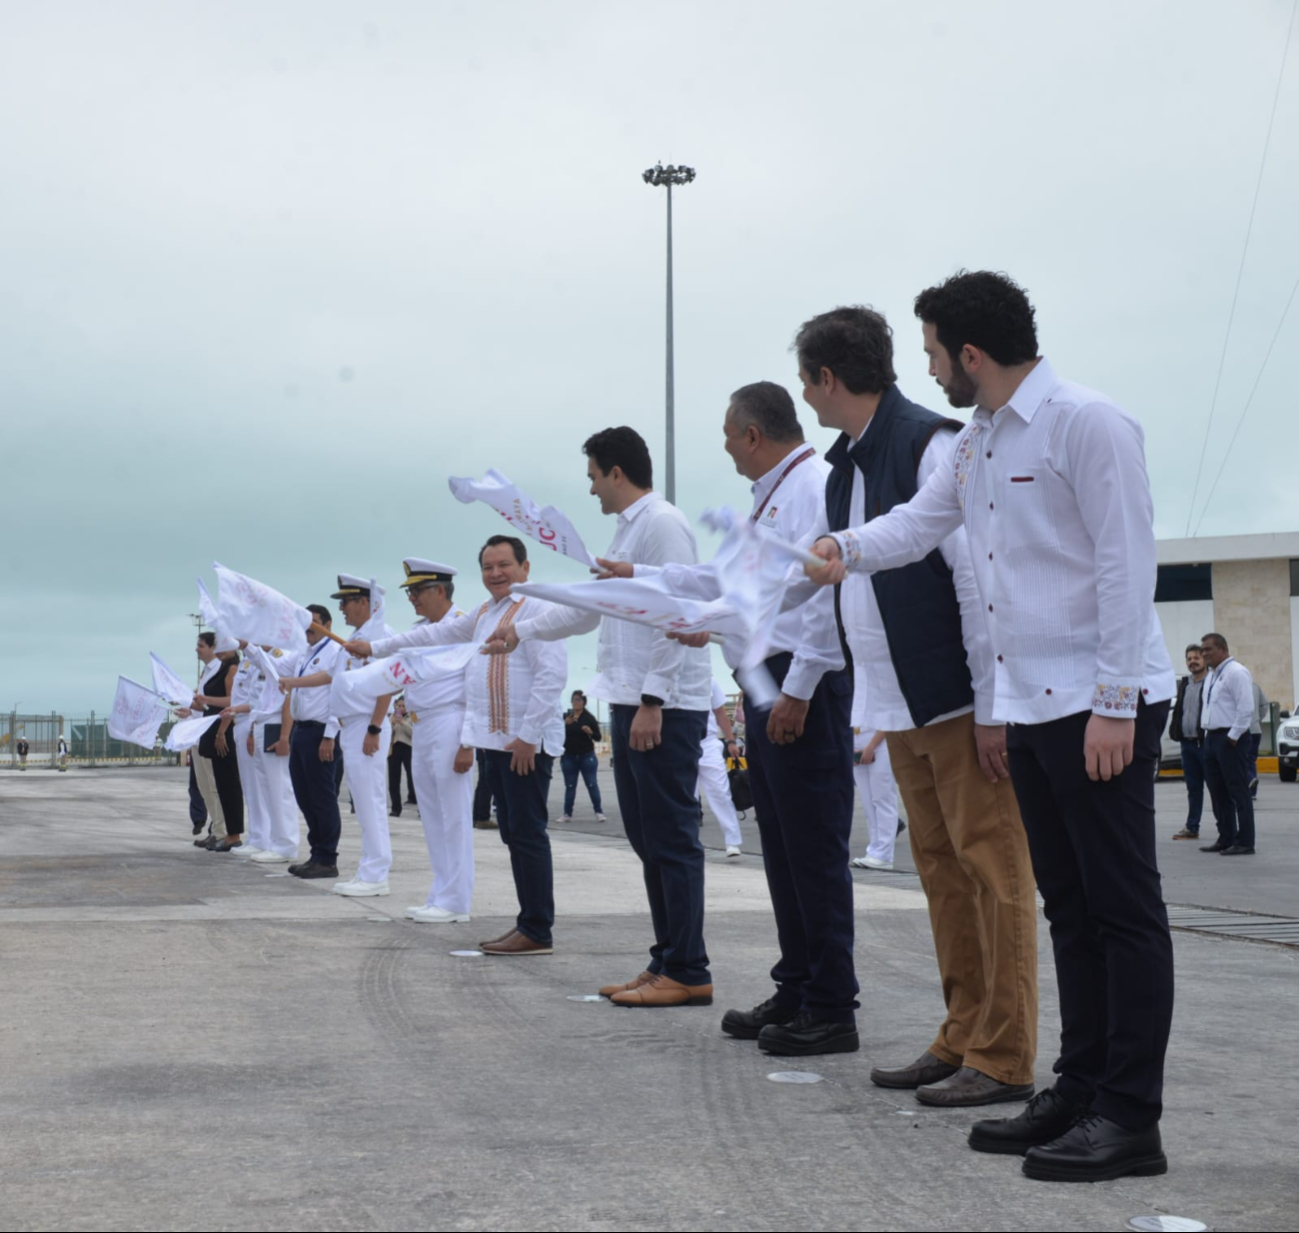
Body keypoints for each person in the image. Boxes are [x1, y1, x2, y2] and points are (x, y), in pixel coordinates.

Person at [806, 270, 1176, 1183]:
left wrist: (1116, 703)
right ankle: (1080, 1087)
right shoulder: (975, 442)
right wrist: (842, 550)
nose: (927, 368)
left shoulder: (1087, 422)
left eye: (932, 351)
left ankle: (1131, 1116)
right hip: (1032, 704)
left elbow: (1129, 568)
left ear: (970, 353)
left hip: (1100, 703)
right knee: (1070, 908)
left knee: (1124, 913)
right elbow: (920, 524)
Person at [795, 305, 1037, 1107]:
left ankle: (1002, 1052)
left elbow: (975, 580)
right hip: (899, 702)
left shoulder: (928, 442)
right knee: (939, 873)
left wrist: (991, 701)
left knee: (992, 872)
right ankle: (961, 1032)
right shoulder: (846, 467)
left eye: (807, 379)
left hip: (957, 699)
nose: (805, 394)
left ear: (829, 378)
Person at [489, 430, 715, 1004]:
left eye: (593, 475)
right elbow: (592, 615)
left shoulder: (661, 523)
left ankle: (689, 971)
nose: (590, 488)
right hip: (629, 698)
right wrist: (523, 628)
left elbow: (678, 610)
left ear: (616, 472)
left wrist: (653, 701)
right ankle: (666, 960)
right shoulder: (626, 530)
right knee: (647, 839)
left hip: (661, 707)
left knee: (671, 840)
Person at [346, 537, 567, 953]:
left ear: (525, 567)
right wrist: (373, 647)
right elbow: (432, 637)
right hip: (496, 741)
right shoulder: (485, 614)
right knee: (513, 834)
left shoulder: (539, 610)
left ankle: (537, 928)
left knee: (528, 833)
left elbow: (551, 677)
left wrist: (528, 737)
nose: (496, 573)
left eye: (504, 564)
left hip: (523, 743)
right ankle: (529, 922)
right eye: (487, 567)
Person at [288, 576, 397, 895]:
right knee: (362, 804)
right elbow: (330, 677)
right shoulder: (355, 638)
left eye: (346, 602)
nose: (342, 608)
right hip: (353, 726)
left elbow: (389, 684)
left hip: (367, 725)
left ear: (365, 603)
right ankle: (369, 870)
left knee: (371, 802)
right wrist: (292, 682)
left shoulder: (380, 637)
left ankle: (376, 875)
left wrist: (375, 728)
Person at [393, 558, 476, 925]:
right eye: (410, 592)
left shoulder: (464, 627)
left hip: (450, 722)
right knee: (431, 816)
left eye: (416, 591)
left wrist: (468, 741)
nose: (412, 598)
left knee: (454, 817)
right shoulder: (420, 631)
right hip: (421, 726)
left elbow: (476, 685)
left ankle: (456, 900)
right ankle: (441, 893)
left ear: (439, 590)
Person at [285, 604, 345, 880]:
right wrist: (249, 645)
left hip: (321, 731)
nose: (309, 629)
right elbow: (275, 667)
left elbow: (337, 695)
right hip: (301, 729)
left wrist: (330, 735)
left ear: (328, 625)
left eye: (315, 623)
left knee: (322, 797)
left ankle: (327, 857)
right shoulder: (305, 653)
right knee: (304, 796)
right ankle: (316, 853)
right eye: (306, 624)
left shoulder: (335, 651)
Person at [1198, 632, 1256, 856]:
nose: (1205, 654)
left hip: (1231, 739)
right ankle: (1226, 836)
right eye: (1203, 650)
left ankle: (1245, 841)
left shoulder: (1236, 672)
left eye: (1208, 650)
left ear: (1223, 648)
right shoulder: (1212, 675)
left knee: (1238, 790)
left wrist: (1232, 736)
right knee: (1217, 791)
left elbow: (1246, 708)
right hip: (1212, 739)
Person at [192, 642, 245, 849]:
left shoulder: (233, 668)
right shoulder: (219, 669)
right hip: (214, 730)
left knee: (228, 785)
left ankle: (232, 834)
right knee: (221, 785)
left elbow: (232, 702)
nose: (220, 650)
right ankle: (227, 833)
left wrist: (222, 731)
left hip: (224, 731)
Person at [850, 675, 900, 871]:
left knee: (883, 798)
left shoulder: (879, 681)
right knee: (868, 802)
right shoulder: (852, 686)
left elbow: (888, 717)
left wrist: (871, 746)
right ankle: (874, 851)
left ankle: (885, 854)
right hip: (856, 742)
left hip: (879, 743)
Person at [695, 679, 743, 857]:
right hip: (682, 743)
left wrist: (731, 741)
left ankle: (732, 841)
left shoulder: (709, 680)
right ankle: (689, 840)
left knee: (720, 793)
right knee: (687, 796)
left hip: (708, 743)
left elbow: (720, 713)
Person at [1168, 644, 1207, 840]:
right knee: (1193, 788)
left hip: (1206, 745)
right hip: (1187, 745)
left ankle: (1227, 831)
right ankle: (1192, 827)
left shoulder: (1211, 683)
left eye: (1196, 658)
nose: (1193, 662)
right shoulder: (1184, 684)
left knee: (1218, 790)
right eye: (1189, 659)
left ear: (1204, 660)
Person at [559, 690, 606, 822]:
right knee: (570, 786)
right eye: (574, 700)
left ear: (584, 702)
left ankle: (599, 812)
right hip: (569, 756)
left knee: (591, 784)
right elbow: (556, 733)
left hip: (587, 756)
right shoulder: (566, 717)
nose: (576, 702)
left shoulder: (589, 718)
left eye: (579, 700)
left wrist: (590, 732)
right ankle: (567, 814)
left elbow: (598, 737)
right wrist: (564, 724)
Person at [388, 700, 416, 817]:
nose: (401, 708)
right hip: (395, 747)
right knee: (393, 779)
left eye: (403, 705)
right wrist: (392, 723)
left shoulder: (413, 716)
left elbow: (414, 733)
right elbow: (387, 732)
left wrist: (403, 723)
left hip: (408, 747)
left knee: (412, 776)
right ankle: (395, 808)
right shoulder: (392, 717)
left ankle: (416, 801)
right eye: (399, 706)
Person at [1248, 680, 1268, 798]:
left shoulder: (1233, 685)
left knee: (1240, 760)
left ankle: (1250, 779)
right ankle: (1252, 792)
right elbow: (1264, 705)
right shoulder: (1255, 686)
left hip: (1241, 731)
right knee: (1251, 760)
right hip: (1256, 729)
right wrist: (1257, 719)